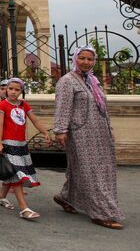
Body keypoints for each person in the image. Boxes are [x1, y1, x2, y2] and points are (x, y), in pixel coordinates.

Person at [53, 46, 125, 229]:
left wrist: (109, 128)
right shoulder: (67, 81)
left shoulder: (93, 80)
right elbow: (63, 107)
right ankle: (101, 213)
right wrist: (61, 130)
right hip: (80, 132)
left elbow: (102, 108)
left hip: (100, 132)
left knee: (91, 169)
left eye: (90, 59)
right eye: (82, 58)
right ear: (75, 59)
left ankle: (66, 197)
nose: (86, 62)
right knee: (93, 172)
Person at [0, 77, 52, 221]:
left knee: (12, 174)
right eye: (10, 89)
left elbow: (35, 120)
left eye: (17, 89)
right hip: (8, 144)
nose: (13, 92)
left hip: (21, 145)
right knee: (19, 175)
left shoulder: (24, 105)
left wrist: (45, 132)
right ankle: (24, 208)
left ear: (21, 91)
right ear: (6, 89)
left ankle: (1, 197)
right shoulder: (3, 105)